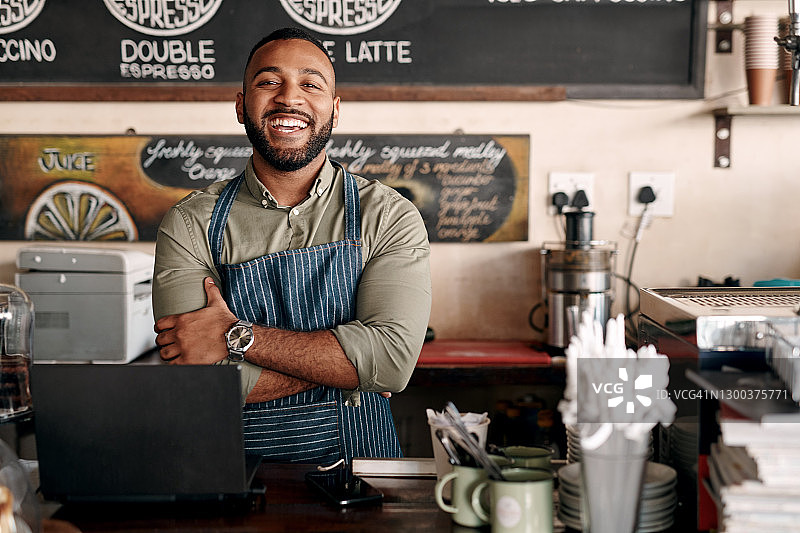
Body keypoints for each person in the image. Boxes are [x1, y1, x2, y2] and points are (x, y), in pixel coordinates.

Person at [152, 27, 432, 464]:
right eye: (268, 82)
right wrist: (350, 369)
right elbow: (197, 382)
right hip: (229, 472)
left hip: (360, 476)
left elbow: (391, 363)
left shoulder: (388, 216)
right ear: (242, 106)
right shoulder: (190, 222)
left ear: (334, 110)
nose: (289, 98)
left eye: (311, 84)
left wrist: (233, 336)